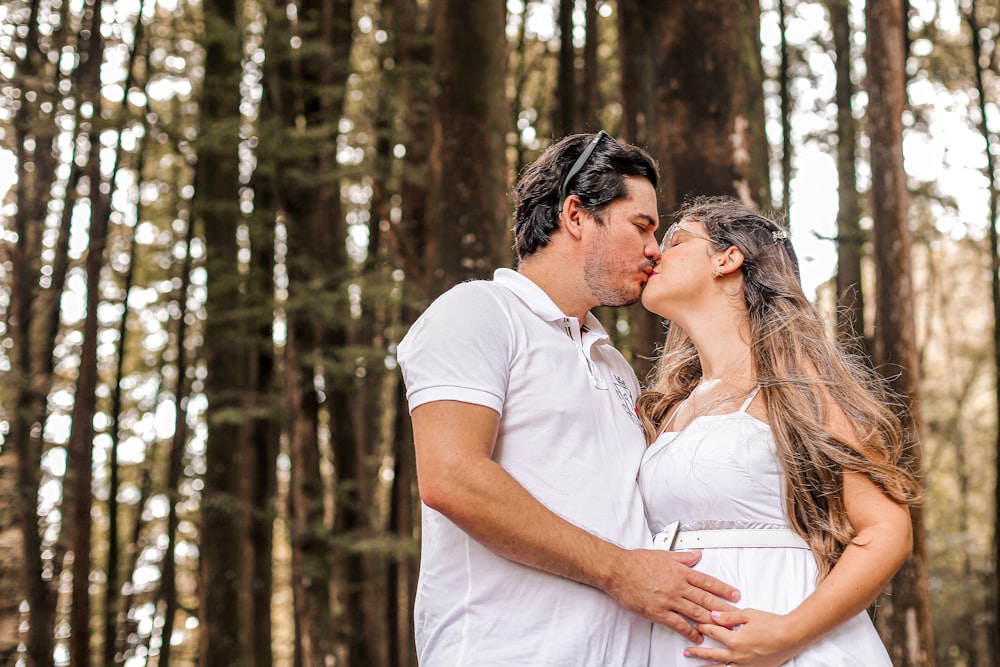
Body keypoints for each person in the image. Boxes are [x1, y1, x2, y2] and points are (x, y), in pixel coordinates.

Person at [396, 132, 741, 665]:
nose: (655, 249)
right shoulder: (478, 312)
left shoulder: (614, 364)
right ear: (576, 215)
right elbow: (452, 478)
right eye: (642, 226)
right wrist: (619, 570)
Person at [635, 195, 922, 666]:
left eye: (674, 240)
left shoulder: (795, 385)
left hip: (791, 644)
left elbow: (887, 529)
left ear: (727, 259)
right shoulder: (673, 407)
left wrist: (790, 633)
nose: (653, 254)